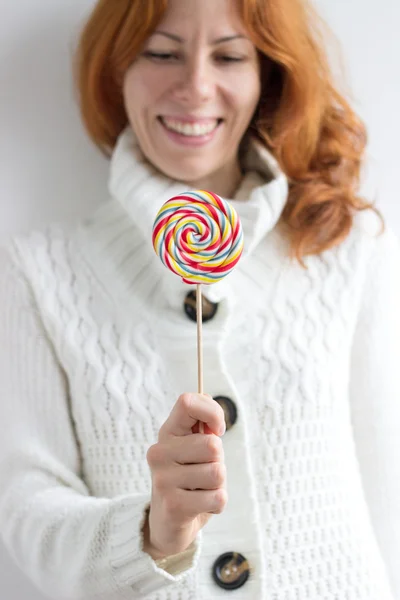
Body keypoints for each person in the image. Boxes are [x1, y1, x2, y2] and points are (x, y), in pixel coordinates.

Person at [0, 0, 399, 598]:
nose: (195, 86)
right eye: (162, 53)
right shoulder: (41, 271)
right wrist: (153, 531)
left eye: (230, 55)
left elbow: (387, 483)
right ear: (117, 71)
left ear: (267, 76)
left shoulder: (338, 245)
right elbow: (26, 516)